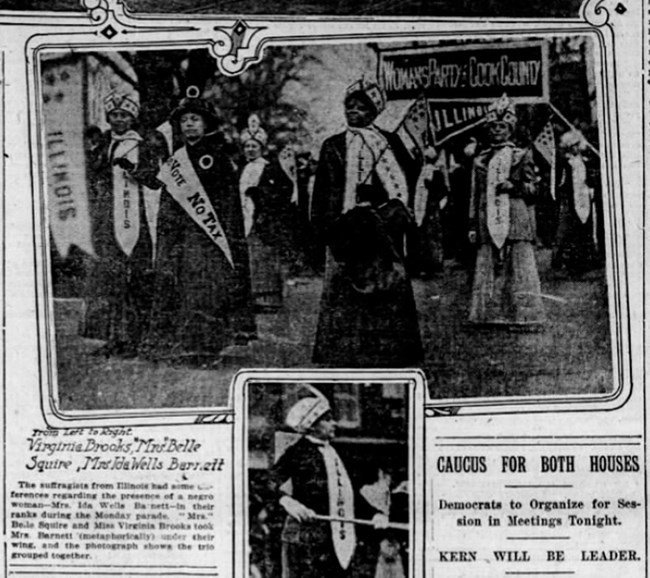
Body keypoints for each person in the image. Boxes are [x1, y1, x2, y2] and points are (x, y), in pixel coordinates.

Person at [311, 77, 423, 367]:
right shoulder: (333, 145)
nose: (354, 112)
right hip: (344, 230)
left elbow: (407, 182)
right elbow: (323, 191)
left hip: (380, 228)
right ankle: (343, 351)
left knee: (385, 285)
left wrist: (379, 199)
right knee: (344, 287)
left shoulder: (390, 142)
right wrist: (326, 226)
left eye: (361, 108)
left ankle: (387, 350)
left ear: (373, 112)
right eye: (350, 106)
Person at [146, 97, 256, 365]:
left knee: (207, 293)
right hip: (182, 237)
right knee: (183, 292)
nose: (189, 125)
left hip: (210, 237)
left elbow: (227, 201)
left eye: (195, 119)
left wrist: (228, 237)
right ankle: (186, 347)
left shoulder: (218, 157)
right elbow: (168, 202)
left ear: (206, 124)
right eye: (184, 120)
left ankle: (208, 349)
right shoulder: (175, 160)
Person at [270, 393, 390, 578]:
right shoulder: (296, 453)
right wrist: (288, 502)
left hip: (337, 543)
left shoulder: (336, 453)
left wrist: (374, 514)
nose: (334, 423)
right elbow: (268, 482)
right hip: (306, 542)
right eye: (327, 419)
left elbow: (347, 497)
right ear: (311, 425)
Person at [83, 91, 163, 356]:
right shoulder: (103, 144)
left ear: (132, 118)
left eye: (124, 116)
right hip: (108, 219)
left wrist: (134, 170)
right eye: (114, 115)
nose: (119, 120)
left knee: (137, 279)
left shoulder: (143, 145)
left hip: (136, 219)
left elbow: (155, 179)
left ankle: (136, 338)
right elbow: (91, 174)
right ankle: (113, 337)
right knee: (110, 279)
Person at [467, 94, 546, 328]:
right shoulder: (480, 159)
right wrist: (472, 223)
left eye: (502, 126)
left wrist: (516, 186)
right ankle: (489, 315)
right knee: (488, 264)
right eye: (493, 127)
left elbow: (534, 189)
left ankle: (523, 316)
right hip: (487, 216)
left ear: (511, 129)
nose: (497, 131)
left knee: (518, 264)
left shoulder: (521, 155)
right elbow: (475, 194)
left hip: (515, 216)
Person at [239, 115, 293, 311]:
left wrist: (259, 194)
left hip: (263, 219)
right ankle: (251, 297)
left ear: (261, 148)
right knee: (249, 257)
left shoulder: (270, 169)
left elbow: (278, 194)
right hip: (244, 216)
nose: (250, 149)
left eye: (254, 146)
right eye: (247, 146)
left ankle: (268, 299)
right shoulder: (242, 169)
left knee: (264, 257)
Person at [551, 130, 599, 277]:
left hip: (585, 199)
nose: (574, 148)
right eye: (571, 145)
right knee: (571, 233)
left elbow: (591, 178)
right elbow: (562, 182)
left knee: (586, 230)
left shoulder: (585, 161)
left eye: (577, 145)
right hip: (571, 201)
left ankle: (587, 263)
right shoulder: (566, 163)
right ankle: (572, 266)